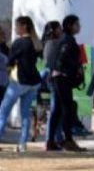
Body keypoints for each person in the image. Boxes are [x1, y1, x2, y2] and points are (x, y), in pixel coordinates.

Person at [0, 16, 43, 152]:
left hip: (19, 81)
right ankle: (22, 144)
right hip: (33, 82)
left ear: (24, 26)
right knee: (25, 114)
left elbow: (10, 62)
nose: (15, 28)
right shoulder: (36, 42)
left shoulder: (18, 43)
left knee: (3, 113)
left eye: (17, 26)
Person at [48, 15, 85, 152]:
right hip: (62, 78)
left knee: (57, 110)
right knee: (67, 108)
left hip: (58, 78)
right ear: (69, 25)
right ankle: (68, 140)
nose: (79, 27)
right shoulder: (67, 41)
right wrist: (72, 71)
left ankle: (51, 141)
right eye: (76, 24)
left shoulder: (63, 39)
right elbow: (61, 60)